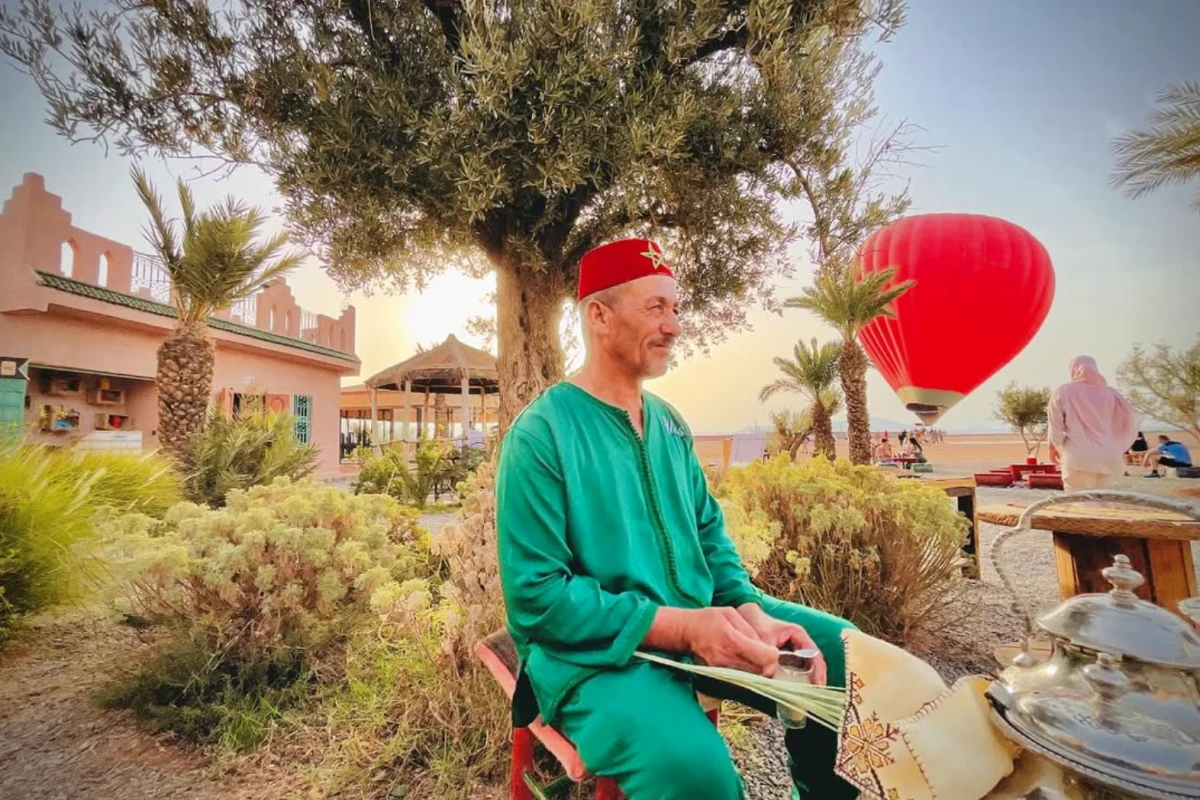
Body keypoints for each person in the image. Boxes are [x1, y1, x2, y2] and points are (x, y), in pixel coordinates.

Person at [495, 238, 858, 800]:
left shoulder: (669, 425)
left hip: (702, 628)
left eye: (677, 308)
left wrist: (749, 611)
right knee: (696, 773)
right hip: (599, 660)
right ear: (599, 315)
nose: (674, 326)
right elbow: (537, 600)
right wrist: (686, 628)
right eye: (655, 307)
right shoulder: (542, 434)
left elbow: (709, 537)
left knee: (845, 658)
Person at [1047, 355, 1139, 493]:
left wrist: (1052, 448)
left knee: (1079, 498)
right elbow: (1128, 419)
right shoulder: (1111, 394)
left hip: (1079, 454)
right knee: (1104, 500)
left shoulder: (1064, 391)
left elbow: (1055, 426)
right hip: (1109, 455)